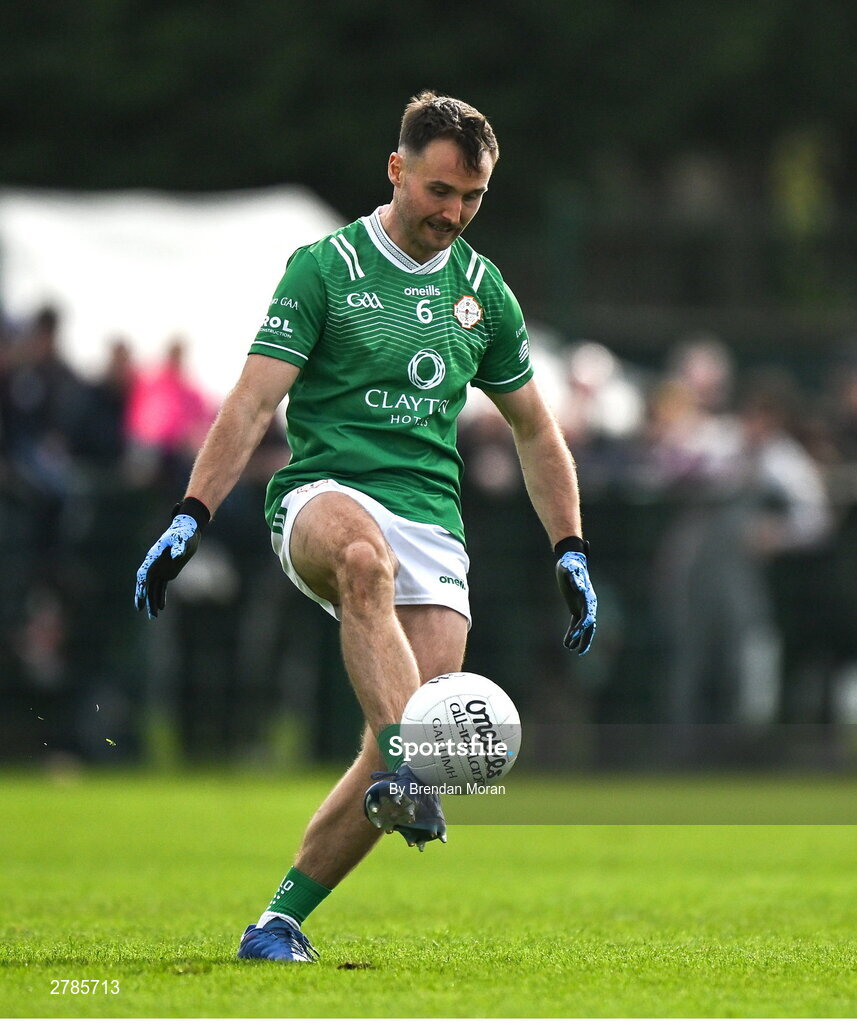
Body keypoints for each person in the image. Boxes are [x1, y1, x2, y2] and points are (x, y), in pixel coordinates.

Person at [134, 91, 597, 963]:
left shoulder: (482, 293)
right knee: (361, 564)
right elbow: (250, 403)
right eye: (438, 192)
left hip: (433, 522)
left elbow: (536, 430)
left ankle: (278, 922)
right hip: (323, 493)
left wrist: (569, 547)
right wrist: (190, 514)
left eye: (471, 198)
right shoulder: (325, 267)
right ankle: (399, 770)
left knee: (417, 742)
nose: (453, 214)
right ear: (396, 170)